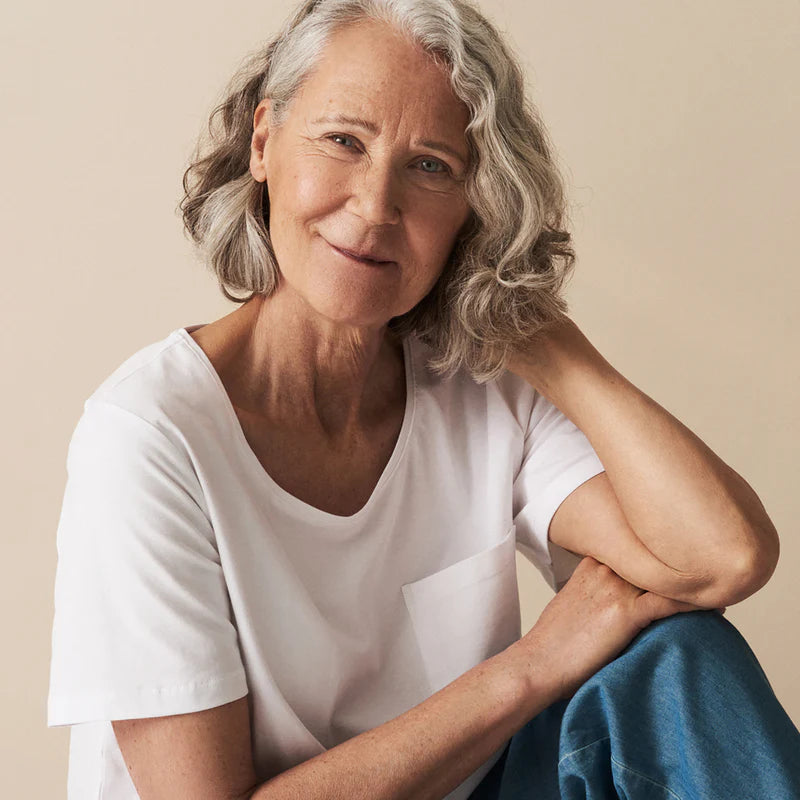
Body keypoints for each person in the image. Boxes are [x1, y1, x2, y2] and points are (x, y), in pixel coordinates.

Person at [46, 0, 800, 798]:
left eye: (432, 166)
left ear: (474, 207)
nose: (375, 206)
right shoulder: (148, 437)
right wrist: (534, 664)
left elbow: (721, 558)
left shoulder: (478, 386)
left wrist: (543, 338)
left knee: (682, 653)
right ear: (264, 142)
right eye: (344, 141)